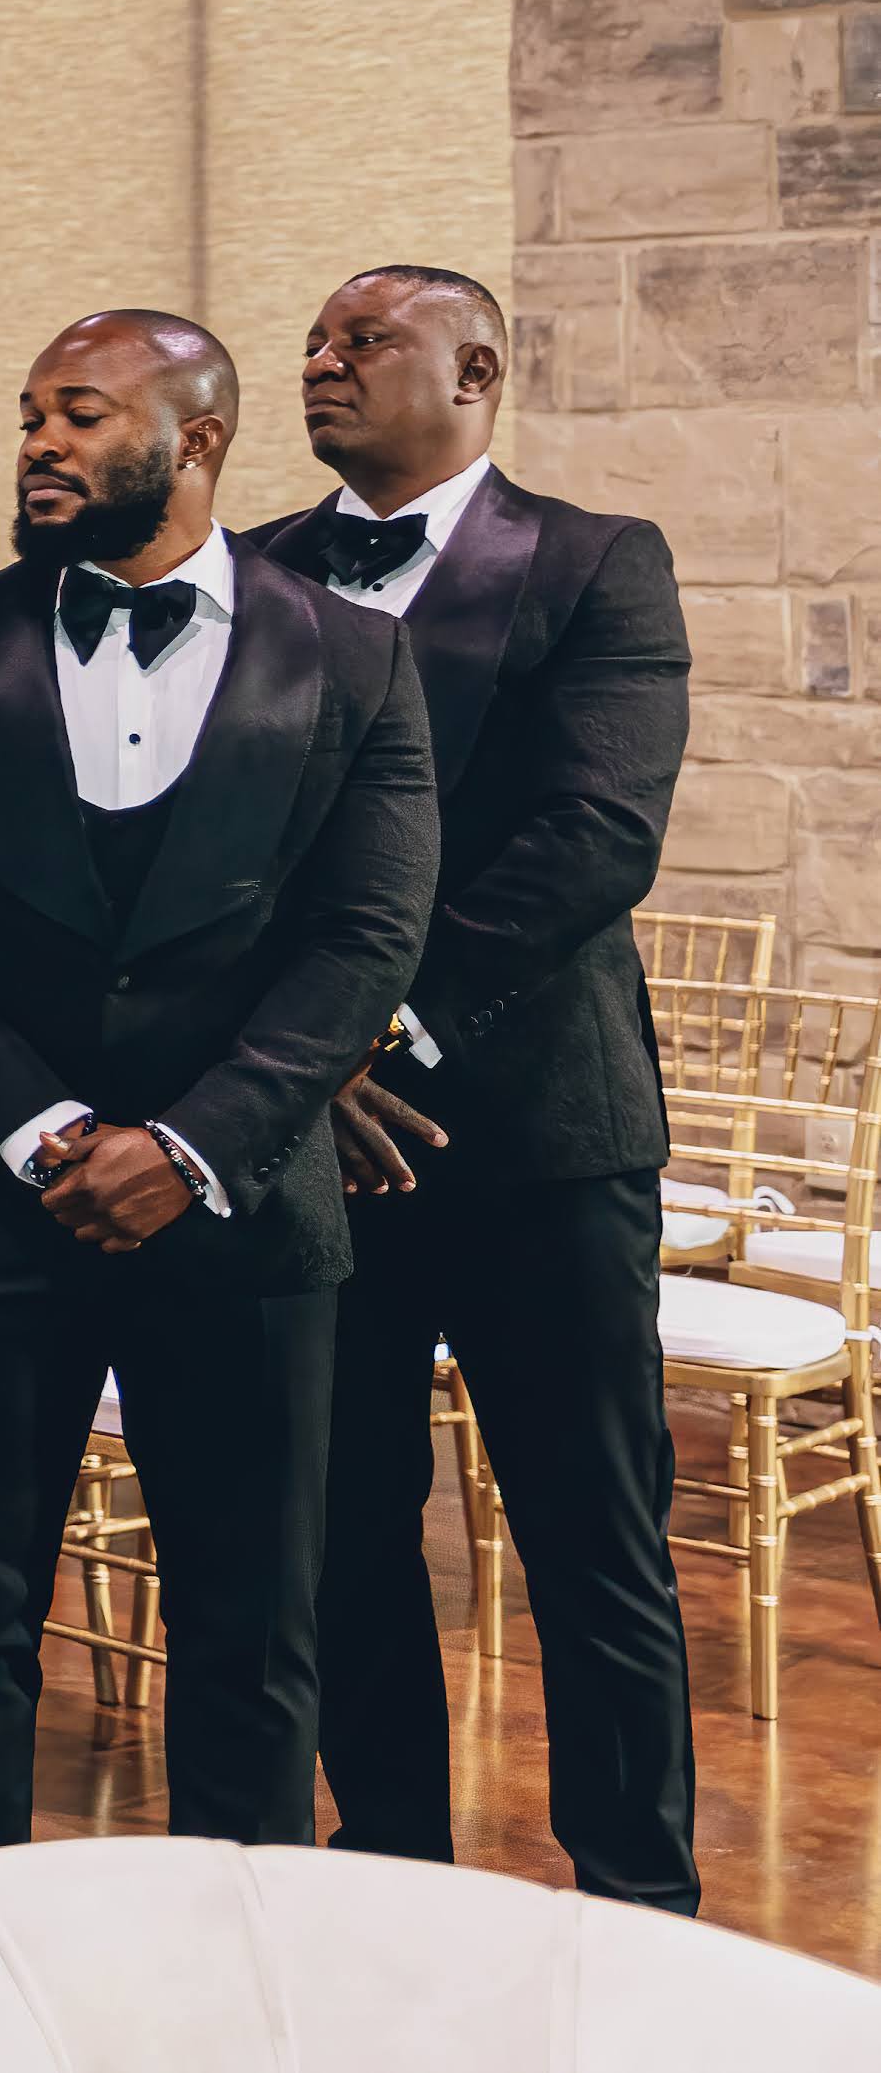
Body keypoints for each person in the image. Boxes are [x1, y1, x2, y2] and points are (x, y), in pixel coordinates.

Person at [0, 310, 433, 1857]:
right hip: (5, 1202)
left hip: (248, 1218)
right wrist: (45, 1125)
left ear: (195, 441)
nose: (40, 442)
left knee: (254, 1636)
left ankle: (229, 1978)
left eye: (79, 414)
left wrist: (194, 1143)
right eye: (28, 414)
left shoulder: (352, 655)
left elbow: (369, 933)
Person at [255, 267, 697, 1909]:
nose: (325, 361)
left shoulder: (591, 562)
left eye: (363, 341)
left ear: (479, 368)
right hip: (320, 1143)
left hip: (540, 1140)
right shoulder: (254, 575)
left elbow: (596, 836)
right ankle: (390, 1882)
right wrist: (301, 1062)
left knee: (596, 1541)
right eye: (311, 341)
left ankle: (639, 1902)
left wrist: (379, 1024)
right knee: (344, 1536)